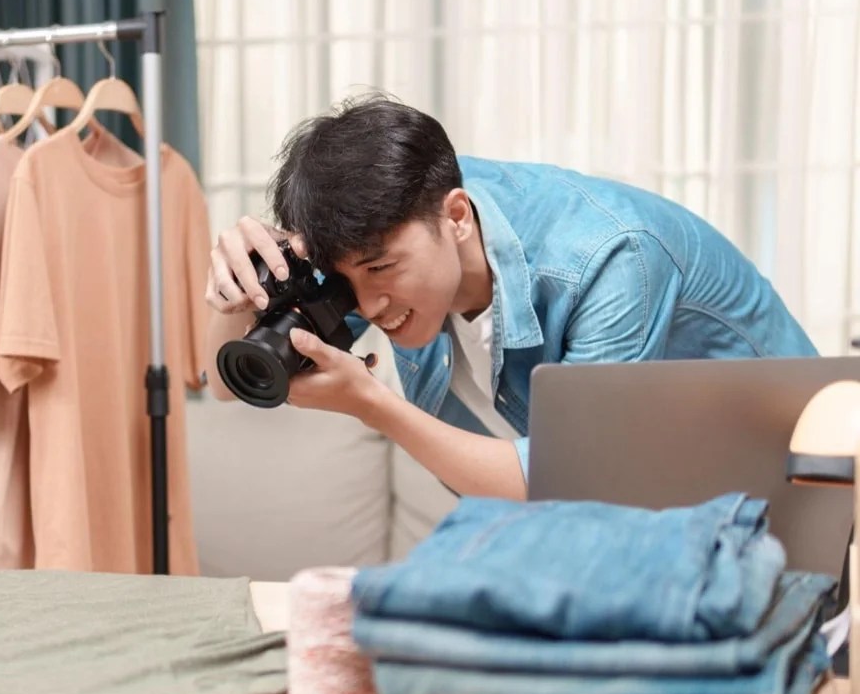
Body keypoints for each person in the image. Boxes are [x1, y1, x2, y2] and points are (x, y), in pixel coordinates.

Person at [203, 93, 818, 501]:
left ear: (457, 217)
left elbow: (567, 475)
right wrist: (238, 297)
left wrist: (373, 404)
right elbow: (230, 385)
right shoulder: (395, 221)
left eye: (382, 269)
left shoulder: (611, 258)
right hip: (635, 514)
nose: (369, 307)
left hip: (786, 490)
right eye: (348, 283)